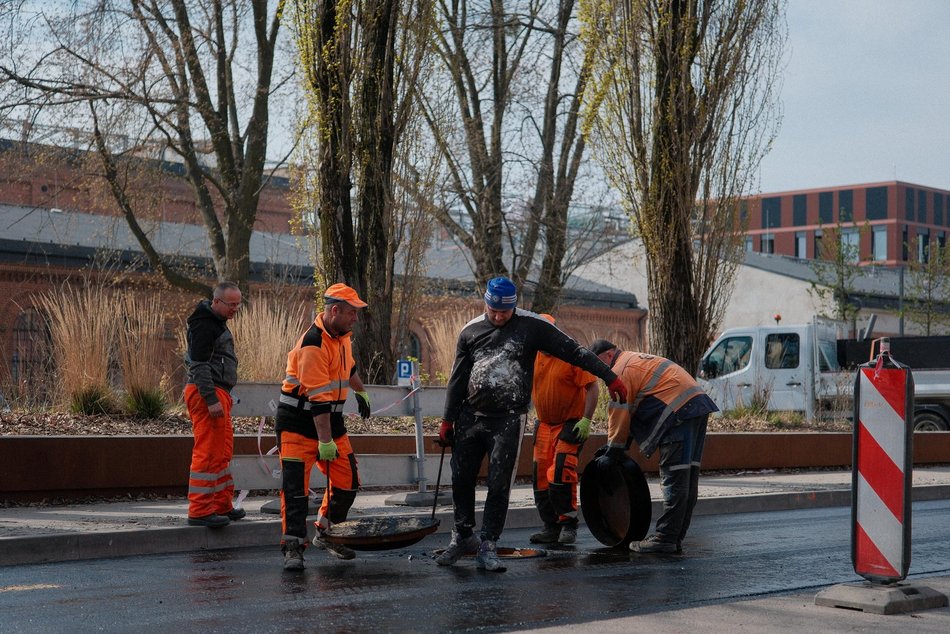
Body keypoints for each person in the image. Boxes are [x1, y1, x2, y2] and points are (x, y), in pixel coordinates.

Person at [435, 277, 627, 572]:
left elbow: (575, 352)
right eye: (493, 311)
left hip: (507, 418)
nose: (498, 317)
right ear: (486, 304)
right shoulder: (470, 331)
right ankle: (462, 536)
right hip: (470, 416)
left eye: (504, 312)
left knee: (499, 482)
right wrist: (447, 420)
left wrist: (609, 376)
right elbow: (457, 379)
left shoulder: (532, 326)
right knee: (461, 478)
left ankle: (488, 543)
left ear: (514, 306)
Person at [588, 339, 719, 554]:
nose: (597, 372)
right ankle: (674, 535)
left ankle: (666, 537)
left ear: (610, 355)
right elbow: (633, 408)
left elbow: (619, 413)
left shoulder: (620, 370)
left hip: (679, 412)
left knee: (675, 477)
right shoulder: (634, 359)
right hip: (695, 406)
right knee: (687, 477)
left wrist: (613, 449)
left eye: (597, 364)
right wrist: (620, 445)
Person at [276, 283, 373, 571]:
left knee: (348, 482)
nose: (355, 318)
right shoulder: (313, 344)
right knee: (295, 490)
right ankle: (293, 547)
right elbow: (318, 403)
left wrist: (360, 391)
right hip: (298, 424)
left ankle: (327, 533)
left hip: (330, 422)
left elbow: (349, 368)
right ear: (335, 310)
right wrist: (325, 442)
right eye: (352, 313)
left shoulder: (342, 337)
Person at [529, 314, 599, 546]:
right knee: (540, 477)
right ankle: (550, 526)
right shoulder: (533, 355)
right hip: (543, 425)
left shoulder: (571, 354)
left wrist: (587, 420)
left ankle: (568, 525)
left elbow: (592, 387)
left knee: (560, 473)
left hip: (570, 423)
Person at [184, 281, 243, 528]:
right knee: (209, 453)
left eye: (238, 305)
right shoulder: (205, 325)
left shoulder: (213, 323)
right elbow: (198, 365)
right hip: (209, 394)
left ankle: (221, 505)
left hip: (218, 394)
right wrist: (210, 399)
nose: (235, 309)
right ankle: (199, 510)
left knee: (222, 452)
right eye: (231, 304)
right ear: (216, 301)